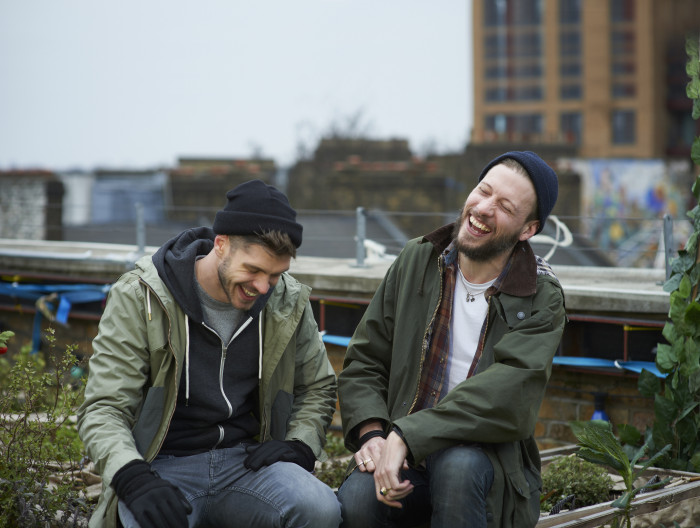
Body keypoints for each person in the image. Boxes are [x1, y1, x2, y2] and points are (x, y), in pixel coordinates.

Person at [78, 180, 341, 528]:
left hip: (248, 464)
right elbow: (104, 407)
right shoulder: (140, 296)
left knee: (321, 509)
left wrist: (301, 444)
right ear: (221, 245)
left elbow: (318, 387)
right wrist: (132, 477)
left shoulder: (286, 300)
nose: (262, 287)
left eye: (276, 274)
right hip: (160, 466)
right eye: (253, 270)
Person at [336, 151, 567, 528]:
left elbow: (508, 396)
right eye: (483, 190)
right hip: (403, 449)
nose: (485, 208)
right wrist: (374, 433)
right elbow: (365, 360)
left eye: (505, 207)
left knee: (457, 467)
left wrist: (407, 436)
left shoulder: (541, 296)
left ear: (527, 230)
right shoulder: (417, 258)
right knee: (360, 498)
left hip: (483, 463)